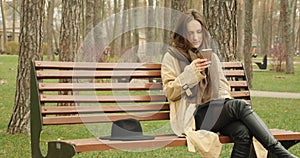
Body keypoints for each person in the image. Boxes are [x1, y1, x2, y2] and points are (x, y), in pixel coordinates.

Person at [161, 9, 296, 158]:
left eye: (199, 32)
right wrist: (190, 74)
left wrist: (222, 104)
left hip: (215, 112)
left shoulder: (210, 55)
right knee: (239, 105)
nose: (195, 37)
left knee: (242, 133)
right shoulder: (172, 57)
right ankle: (277, 151)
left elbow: (223, 87)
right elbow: (169, 92)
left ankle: (276, 151)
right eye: (190, 32)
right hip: (192, 116)